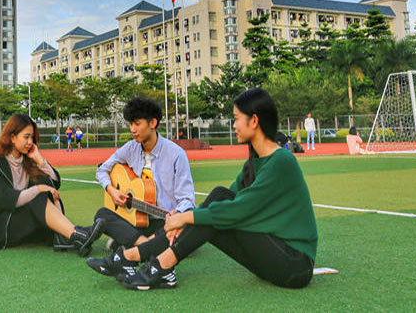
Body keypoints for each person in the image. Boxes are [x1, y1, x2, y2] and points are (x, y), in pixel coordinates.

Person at [87, 88, 317, 291]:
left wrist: (185, 217)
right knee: (217, 198)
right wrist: (186, 220)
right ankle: (146, 261)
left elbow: (239, 211)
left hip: (294, 264)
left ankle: (148, 261)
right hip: (272, 253)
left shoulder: (281, 161)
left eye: (236, 119)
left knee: (214, 209)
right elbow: (225, 203)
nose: (234, 125)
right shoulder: (256, 161)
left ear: (254, 121)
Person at [0, 114, 105, 255]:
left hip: (25, 222)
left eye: (32, 137)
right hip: (3, 225)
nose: (30, 142)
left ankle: (69, 237)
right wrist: (38, 189)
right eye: (26, 137)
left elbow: (55, 183)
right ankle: (75, 235)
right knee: (37, 194)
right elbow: (7, 199)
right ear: (12, 137)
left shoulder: (28, 160)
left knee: (50, 193)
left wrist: (39, 160)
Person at [94, 97, 195, 252]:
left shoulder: (176, 154)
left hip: (164, 220)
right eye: (130, 124)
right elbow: (102, 170)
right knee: (102, 215)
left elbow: (188, 199)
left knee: (185, 228)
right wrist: (111, 190)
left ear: (152, 123)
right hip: (137, 219)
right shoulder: (130, 148)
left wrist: (178, 215)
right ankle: (147, 245)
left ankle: (133, 242)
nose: (132, 129)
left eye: (137, 124)